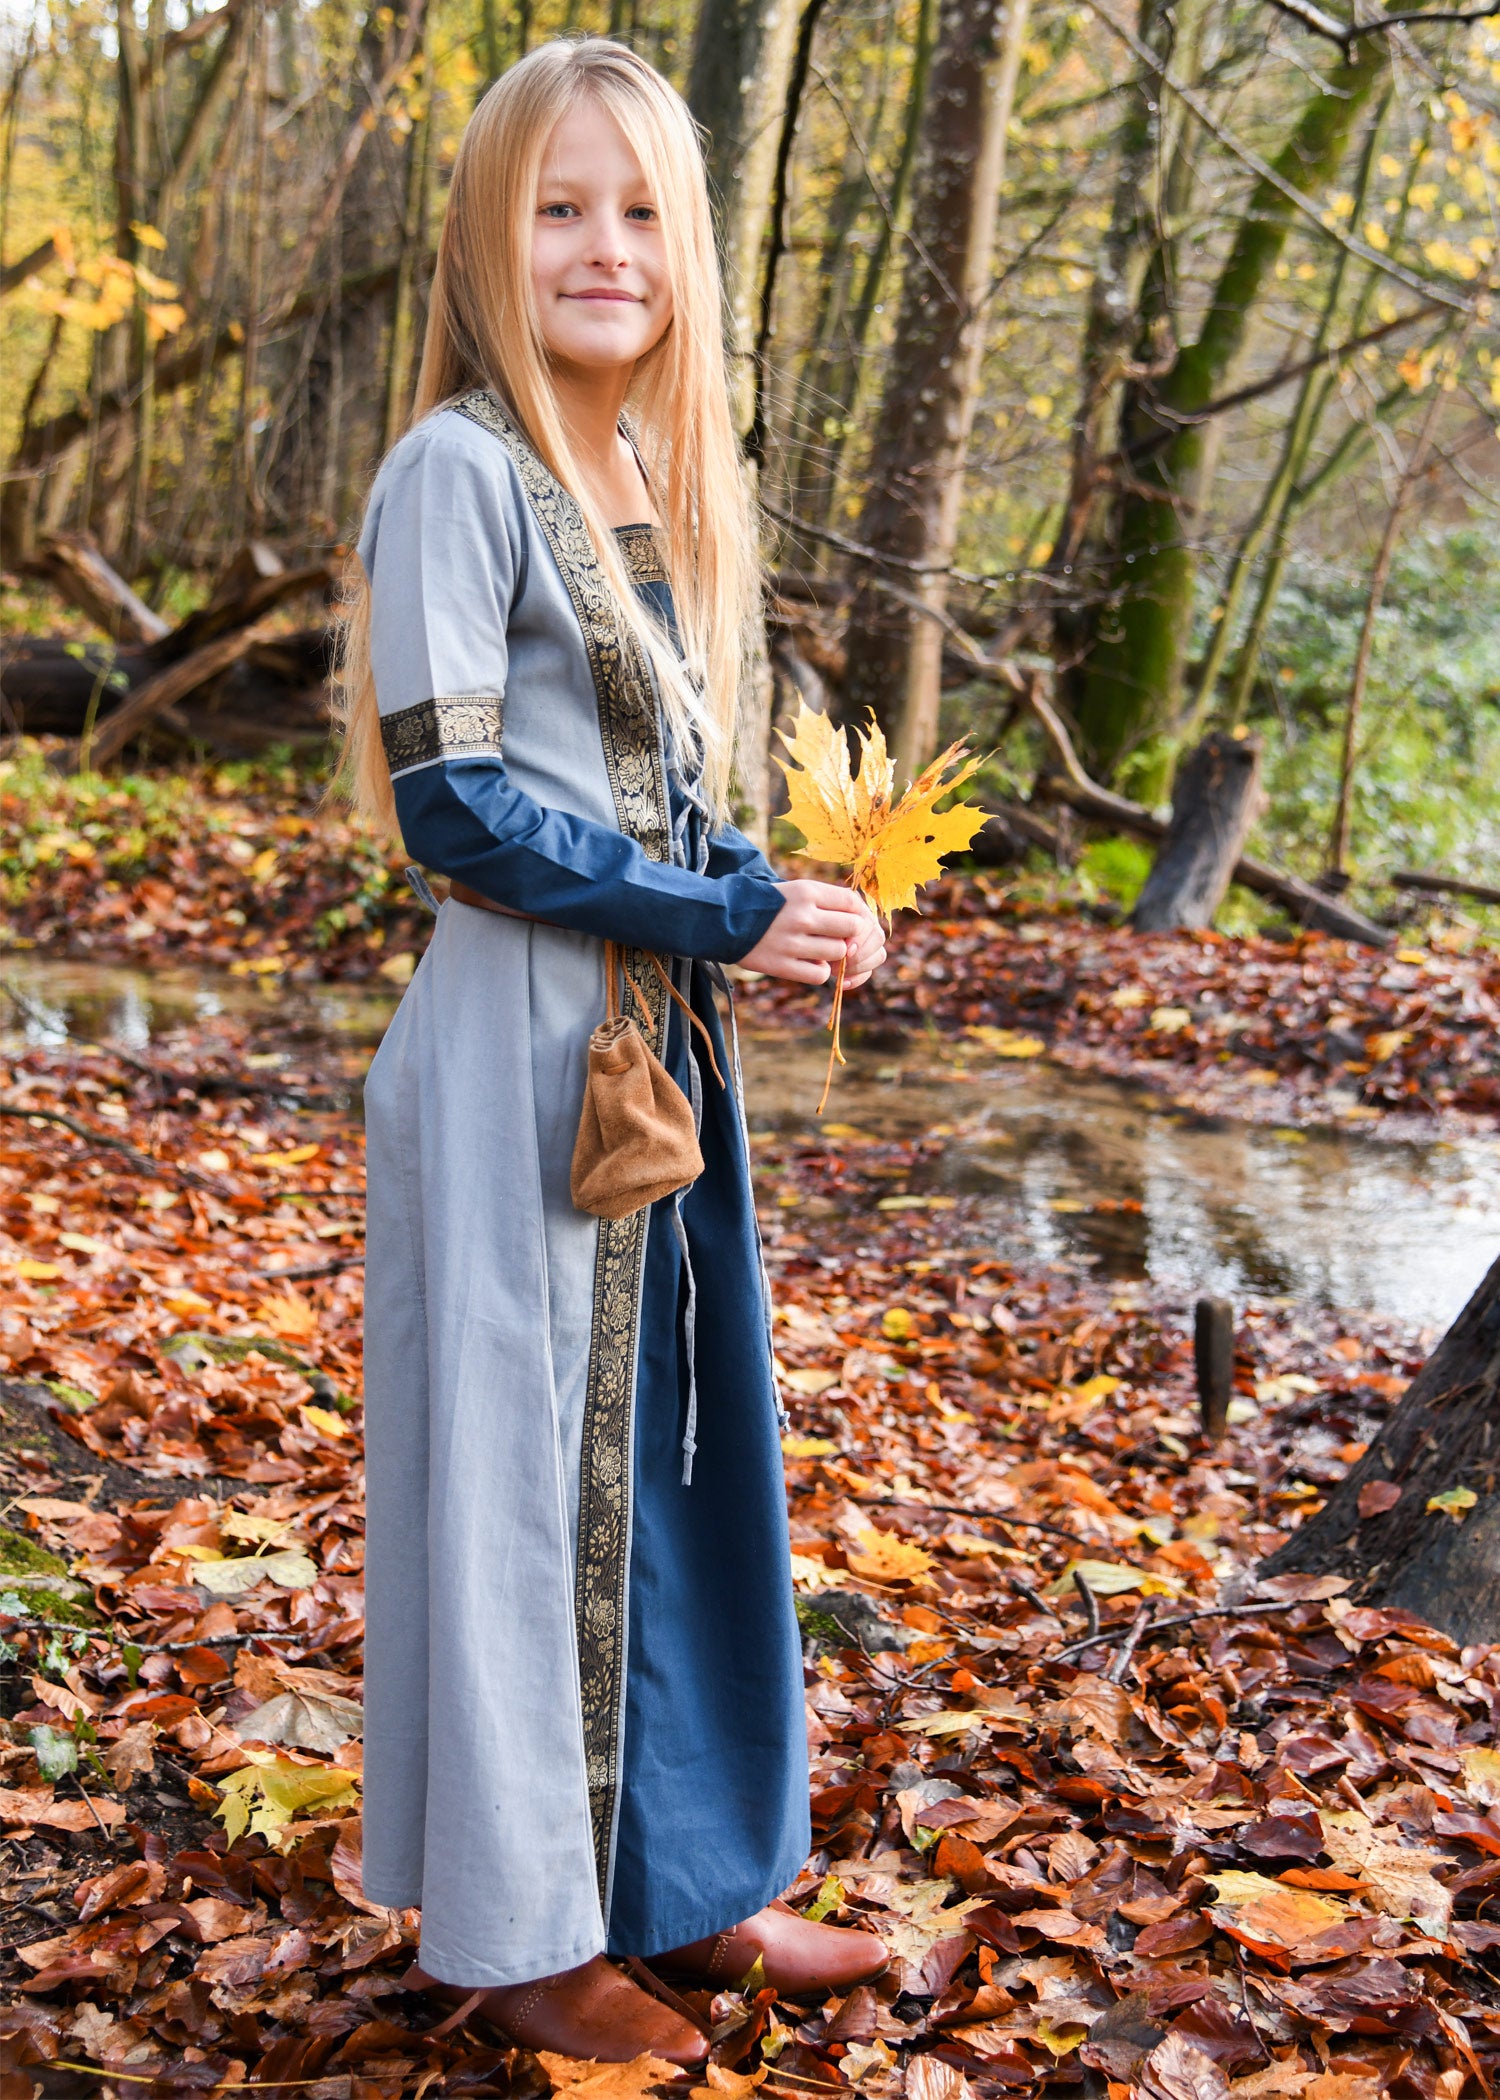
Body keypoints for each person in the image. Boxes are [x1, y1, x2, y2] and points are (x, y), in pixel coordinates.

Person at [333, 36, 892, 2065]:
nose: (604, 246)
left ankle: (685, 1891)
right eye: (560, 208)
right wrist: (723, 913)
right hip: (515, 1063)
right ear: (492, 240)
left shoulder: (648, 484)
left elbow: (659, 807)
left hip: (655, 1061)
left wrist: (786, 899)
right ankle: (520, 1935)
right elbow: (459, 807)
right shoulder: (457, 471)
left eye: (643, 210)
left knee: (670, 1472)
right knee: (516, 1493)